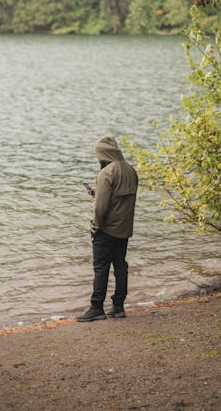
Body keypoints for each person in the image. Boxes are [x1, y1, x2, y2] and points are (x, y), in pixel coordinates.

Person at [76, 135, 138, 322]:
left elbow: (101, 208)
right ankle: (118, 306)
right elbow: (120, 199)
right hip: (124, 228)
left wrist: (95, 228)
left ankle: (97, 308)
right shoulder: (130, 170)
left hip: (107, 229)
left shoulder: (106, 173)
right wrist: (98, 193)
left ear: (102, 153)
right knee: (120, 266)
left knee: (100, 268)